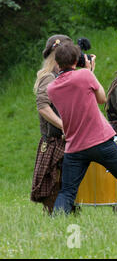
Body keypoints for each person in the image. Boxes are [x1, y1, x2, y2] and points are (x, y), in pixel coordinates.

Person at [47, 42, 117, 215]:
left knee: (67, 191)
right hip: (100, 141)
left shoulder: (51, 88)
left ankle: (57, 220)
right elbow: (101, 99)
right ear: (77, 60)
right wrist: (90, 71)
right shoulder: (85, 75)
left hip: (75, 146)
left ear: (57, 62)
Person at [31, 35, 72, 214]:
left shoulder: (61, 76)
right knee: (54, 193)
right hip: (55, 142)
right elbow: (43, 107)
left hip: (65, 141)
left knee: (67, 192)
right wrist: (64, 126)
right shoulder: (48, 77)